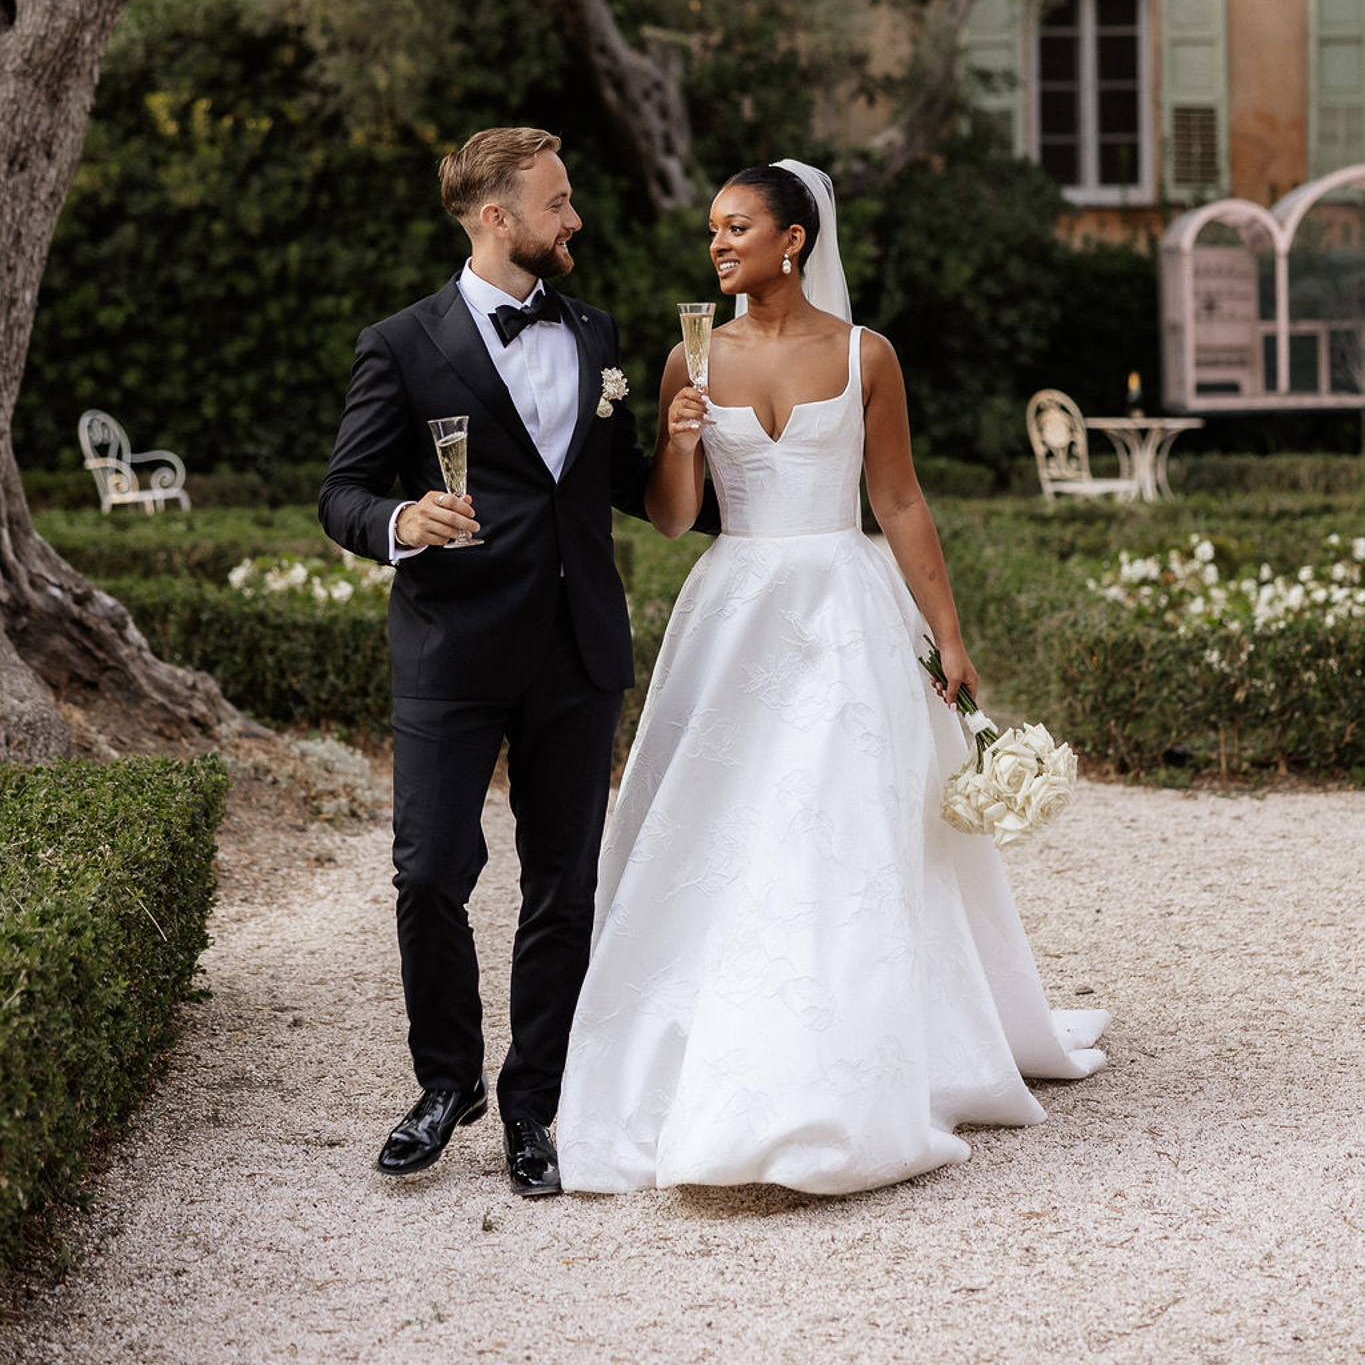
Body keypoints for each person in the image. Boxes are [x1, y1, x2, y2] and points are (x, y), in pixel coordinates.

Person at [557, 159, 1107, 1195]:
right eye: (712, 230)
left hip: (844, 610)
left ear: (794, 238)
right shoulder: (691, 359)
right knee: (726, 821)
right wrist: (678, 442)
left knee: (841, 821)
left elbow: (897, 500)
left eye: (737, 227)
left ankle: (858, 1049)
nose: (717, 244)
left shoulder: (867, 355)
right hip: (734, 613)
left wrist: (948, 634)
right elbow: (676, 517)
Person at [318, 127, 711, 1198]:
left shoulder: (595, 331)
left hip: (578, 648)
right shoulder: (400, 342)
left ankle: (536, 1100)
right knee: (429, 872)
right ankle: (445, 1082)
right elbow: (341, 492)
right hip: (452, 648)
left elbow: (625, 481)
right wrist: (405, 514)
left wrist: (677, 438)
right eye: (559, 200)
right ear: (498, 217)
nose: (574, 217)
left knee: (564, 886)